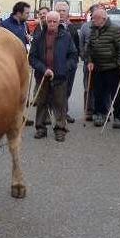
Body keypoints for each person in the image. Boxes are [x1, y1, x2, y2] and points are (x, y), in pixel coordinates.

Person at [28, 11, 78, 142]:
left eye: (54, 21)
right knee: (42, 102)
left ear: (58, 22)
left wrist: (62, 69)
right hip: (42, 76)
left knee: (60, 104)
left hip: (60, 76)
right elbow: (32, 57)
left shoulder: (66, 36)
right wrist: (44, 69)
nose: (51, 24)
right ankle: (40, 128)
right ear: (46, 21)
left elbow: (73, 56)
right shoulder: (38, 36)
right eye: (49, 21)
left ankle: (60, 129)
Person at [87, 8, 120, 128]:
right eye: (92, 18)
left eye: (94, 18)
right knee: (98, 93)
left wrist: (118, 65)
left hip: (113, 68)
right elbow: (90, 48)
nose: (92, 20)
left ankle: (118, 116)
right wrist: (89, 60)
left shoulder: (115, 29)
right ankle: (100, 114)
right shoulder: (93, 30)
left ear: (103, 19)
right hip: (98, 67)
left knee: (115, 94)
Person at [54, 1, 80, 123]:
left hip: (70, 65)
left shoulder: (72, 28)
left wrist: (73, 62)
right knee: (56, 90)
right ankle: (58, 114)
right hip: (55, 65)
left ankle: (64, 112)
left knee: (67, 89)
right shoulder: (50, 26)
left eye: (64, 11)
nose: (61, 13)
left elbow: (77, 47)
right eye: (59, 10)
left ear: (68, 13)